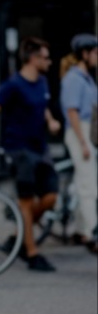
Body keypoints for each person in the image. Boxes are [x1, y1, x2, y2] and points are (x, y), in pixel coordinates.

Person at [0, 37, 61, 271]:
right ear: (33, 59)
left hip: (40, 149)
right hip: (18, 150)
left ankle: (20, 234)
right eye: (45, 57)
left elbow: (42, 108)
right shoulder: (12, 85)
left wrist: (51, 121)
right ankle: (31, 253)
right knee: (26, 201)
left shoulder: (42, 82)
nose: (49, 62)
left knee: (51, 197)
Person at [59, 33, 97, 253]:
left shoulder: (86, 78)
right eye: (95, 53)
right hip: (78, 131)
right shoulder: (74, 78)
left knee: (81, 181)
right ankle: (93, 233)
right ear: (84, 54)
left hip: (86, 130)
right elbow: (71, 111)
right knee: (88, 185)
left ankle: (79, 229)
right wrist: (83, 142)